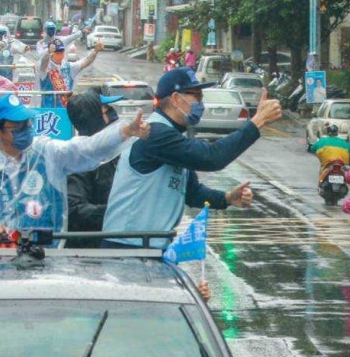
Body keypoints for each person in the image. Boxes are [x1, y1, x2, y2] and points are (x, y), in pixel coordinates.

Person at [102, 68, 282, 247]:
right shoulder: (155, 133)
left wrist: (227, 198)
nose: (200, 103)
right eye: (196, 96)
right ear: (175, 99)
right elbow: (212, 157)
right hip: (127, 247)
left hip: (147, 246)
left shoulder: (172, 137)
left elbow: (192, 193)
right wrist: (257, 122)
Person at [0, 94, 150, 237]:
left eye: (27, 123)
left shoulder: (46, 152)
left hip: (47, 256)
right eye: (16, 128)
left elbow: (86, 148)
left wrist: (124, 131)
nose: (25, 130)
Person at [65, 90, 124, 247]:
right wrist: (118, 211)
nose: (113, 114)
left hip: (115, 239)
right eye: (107, 109)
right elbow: (74, 208)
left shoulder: (113, 151)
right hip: (89, 251)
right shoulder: (78, 158)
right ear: (95, 118)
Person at [38, 38, 100, 107]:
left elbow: (86, 62)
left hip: (66, 109)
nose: (60, 54)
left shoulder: (69, 67)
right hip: (49, 111)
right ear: (52, 53)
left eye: (61, 51)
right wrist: (48, 52)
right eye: (57, 52)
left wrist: (95, 51)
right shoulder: (46, 68)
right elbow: (43, 65)